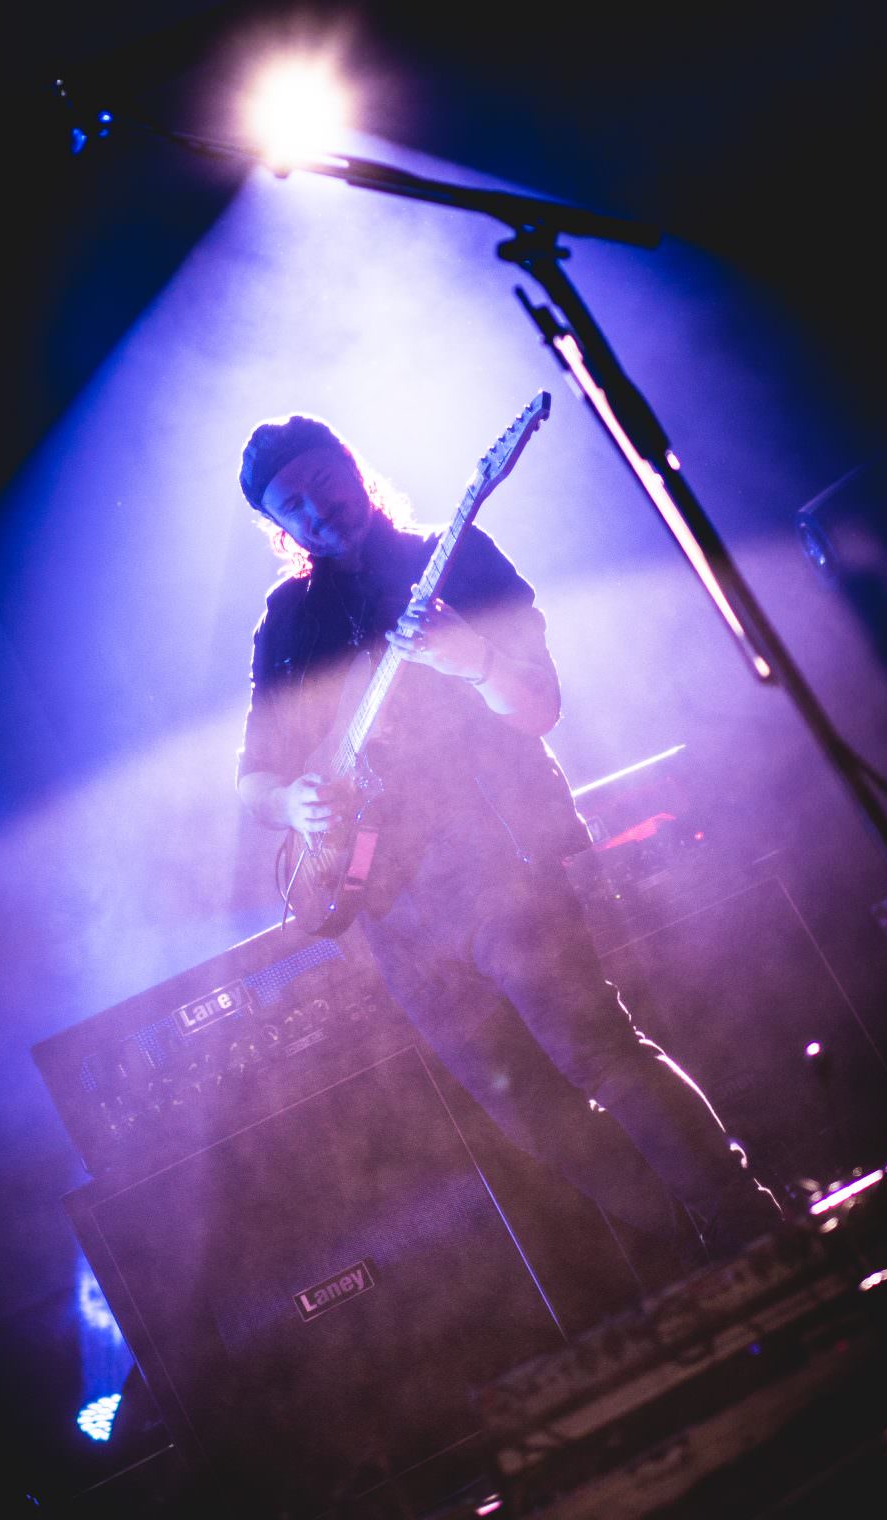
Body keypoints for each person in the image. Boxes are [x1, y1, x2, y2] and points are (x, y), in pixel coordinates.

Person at [235, 414, 787, 1304]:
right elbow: (255, 778)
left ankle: (746, 1225)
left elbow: (538, 707)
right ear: (278, 525)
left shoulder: (452, 555)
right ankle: (695, 1246)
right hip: (390, 912)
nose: (314, 506)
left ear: (352, 465)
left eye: (321, 478)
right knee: (525, 1111)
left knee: (598, 1054)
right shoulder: (287, 619)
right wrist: (291, 802)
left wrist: (473, 658)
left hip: (498, 862)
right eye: (289, 503)